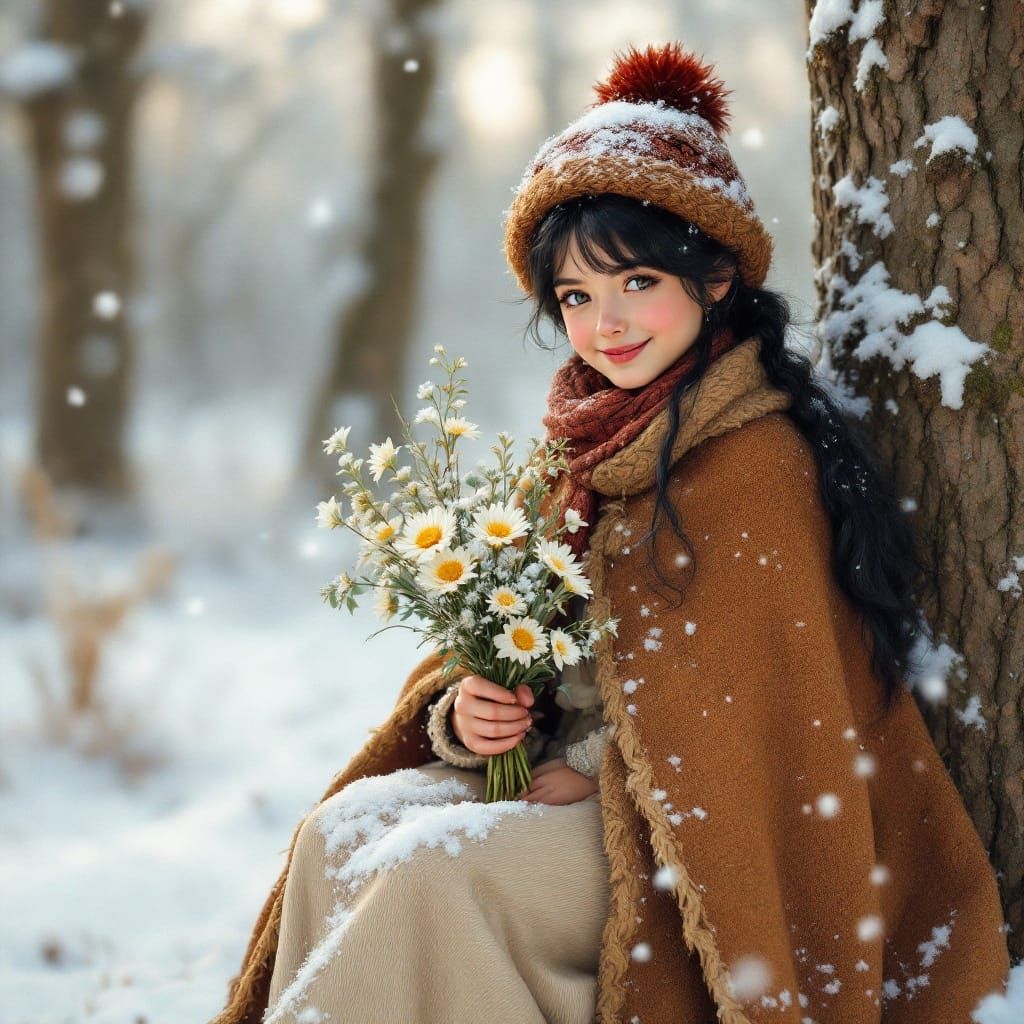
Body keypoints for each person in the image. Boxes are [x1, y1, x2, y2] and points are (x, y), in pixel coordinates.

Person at [214, 42, 1011, 1024]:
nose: (607, 323)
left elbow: (748, 721)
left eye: (636, 281)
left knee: (431, 873)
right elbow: (510, 639)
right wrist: (467, 717)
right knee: (340, 829)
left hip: (666, 835)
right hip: (558, 787)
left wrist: (595, 773)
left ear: (715, 276)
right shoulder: (582, 447)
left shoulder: (753, 459)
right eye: (576, 297)